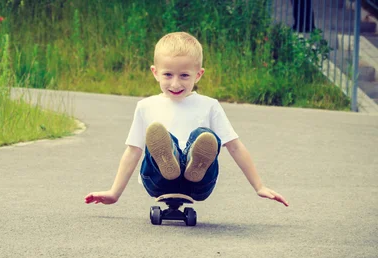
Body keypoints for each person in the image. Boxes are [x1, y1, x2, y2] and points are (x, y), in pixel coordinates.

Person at [84, 32, 289, 207]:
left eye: (184, 75)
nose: (175, 83)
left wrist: (259, 186)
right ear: (155, 73)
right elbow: (133, 151)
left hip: (199, 184)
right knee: (161, 136)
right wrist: (114, 192)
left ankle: (194, 163)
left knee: (204, 136)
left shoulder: (209, 106)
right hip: (158, 181)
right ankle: (170, 157)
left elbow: (234, 146)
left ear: (198, 75)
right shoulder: (146, 107)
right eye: (168, 75)